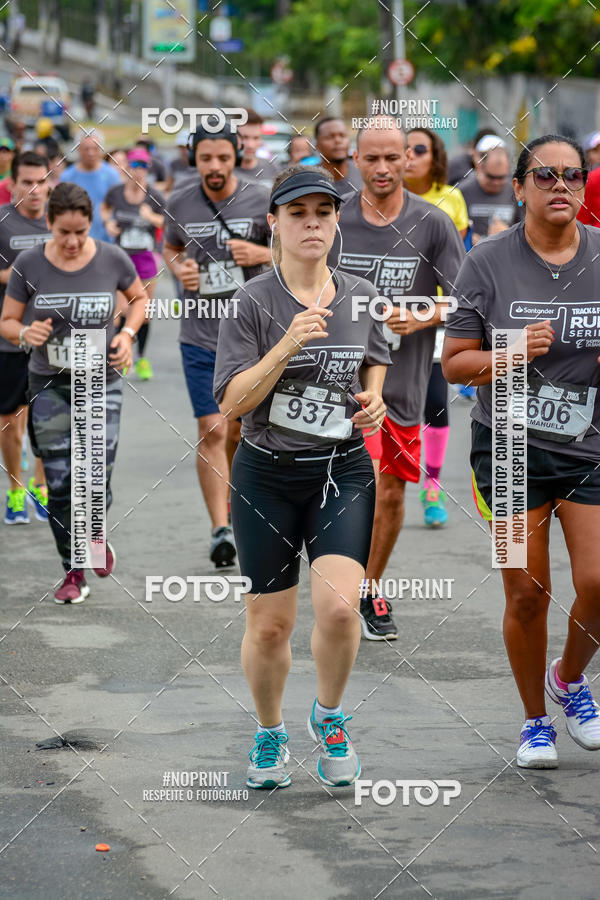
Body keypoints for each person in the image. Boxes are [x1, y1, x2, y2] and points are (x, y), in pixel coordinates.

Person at [214, 165, 390, 789]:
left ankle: (330, 714)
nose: (312, 222)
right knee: (270, 623)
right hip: (266, 475)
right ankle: (269, 730)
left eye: (323, 211)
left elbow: (375, 362)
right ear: (275, 223)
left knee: (342, 610)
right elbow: (232, 404)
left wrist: (374, 400)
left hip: (341, 468)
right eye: (297, 213)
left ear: (337, 220)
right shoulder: (252, 302)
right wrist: (286, 345)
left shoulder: (361, 294)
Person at [443, 134, 600, 768]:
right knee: (527, 592)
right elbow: (455, 365)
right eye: (545, 176)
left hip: (589, 445)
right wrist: (509, 352)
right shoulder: (486, 263)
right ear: (520, 188)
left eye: (572, 176)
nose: (560, 185)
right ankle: (536, 719)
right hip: (507, 448)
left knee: (598, 581)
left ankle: (569, 677)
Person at [332, 118, 464, 640]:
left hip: (402, 389)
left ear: (409, 160)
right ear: (355, 161)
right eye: (373, 159)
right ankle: (336, 582)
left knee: (388, 494)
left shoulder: (433, 223)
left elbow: (467, 299)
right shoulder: (333, 219)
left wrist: (426, 315)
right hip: (332, 387)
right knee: (336, 490)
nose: (384, 168)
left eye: (395, 157)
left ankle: (367, 587)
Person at [0, 182, 147, 603]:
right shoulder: (29, 264)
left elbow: (139, 299)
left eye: (80, 232)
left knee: (97, 472)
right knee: (61, 483)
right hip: (48, 383)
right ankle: (73, 571)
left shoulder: (111, 258)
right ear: (49, 223)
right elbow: (7, 320)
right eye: (63, 231)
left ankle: (95, 533)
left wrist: (128, 335)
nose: (71, 241)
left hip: (102, 381)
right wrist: (26, 330)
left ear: (90, 226)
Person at [163, 122, 271, 569]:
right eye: (206, 158)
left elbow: (294, 250)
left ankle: (239, 507)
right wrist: (179, 271)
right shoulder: (179, 201)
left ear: (237, 156)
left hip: (252, 335)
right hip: (201, 334)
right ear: (194, 158)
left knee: (242, 430)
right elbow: (171, 247)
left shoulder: (261, 198)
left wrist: (262, 255)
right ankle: (220, 529)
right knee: (212, 429)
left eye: (223, 158)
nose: (215, 166)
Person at [403, 127, 468, 527]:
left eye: (419, 149)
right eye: (403, 149)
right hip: (380, 319)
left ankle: (432, 484)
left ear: (434, 157)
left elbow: (456, 263)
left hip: (434, 314)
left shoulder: (451, 198)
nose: (409, 156)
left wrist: (442, 310)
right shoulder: (377, 199)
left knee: (434, 402)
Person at [0, 151, 51, 524]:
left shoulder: (60, 223)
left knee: (49, 419)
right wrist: (23, 274)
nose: (34, 190)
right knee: (11, 420)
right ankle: (16, 490)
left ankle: (41, 486)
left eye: (41, 182)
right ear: (12, 183)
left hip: (53, 339)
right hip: (10, 338)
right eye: (26, 183)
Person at [101, 146, 165, 381]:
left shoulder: (155, 196)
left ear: (148, 169)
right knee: (122, 311)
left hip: (146, 259)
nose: (137, 171)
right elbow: (104, 209)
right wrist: (108, 223)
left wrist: (152, 218)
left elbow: (168, 223)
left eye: (142, 166)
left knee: (145, 312)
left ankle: (141, 358)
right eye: (134, 165)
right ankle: (118, 356)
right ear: (127, 167)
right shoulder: (117, 192)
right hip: (121, 258)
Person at [60, 130, 121, 241]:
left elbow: (118, 205)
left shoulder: (111, 175)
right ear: (78, 149)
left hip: (105, 240)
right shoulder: (68, 177)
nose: (91, 153)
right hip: (76, 240)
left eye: (95, 148)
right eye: (86, 149)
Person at [460, 143, 519, 244]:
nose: (496, 183)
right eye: (491, 177)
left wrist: (508, 233)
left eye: (501, 177)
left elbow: (529, 233)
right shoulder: (462, 191)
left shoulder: (517, 192)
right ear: (480, 167)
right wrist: (467, 239)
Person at [315, 118, 363, 197]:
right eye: (330, 137)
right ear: (317, 145)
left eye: (342, 135)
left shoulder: (363, 172)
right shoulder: (308, 179)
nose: (338, 141)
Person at [235, 109, 280, 188]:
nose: (250, 145)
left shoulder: (273, 168)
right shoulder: (224, 171)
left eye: (256, 138)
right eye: (244, 138)